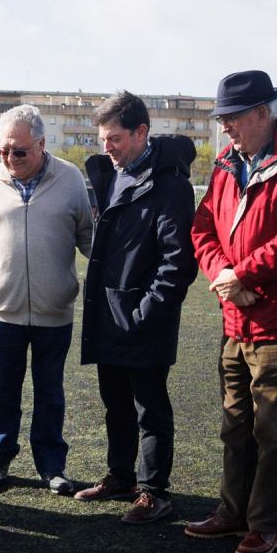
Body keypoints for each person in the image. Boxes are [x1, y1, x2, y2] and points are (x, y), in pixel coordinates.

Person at [187, 70, 277, 553]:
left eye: (231, 118)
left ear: (262, 114)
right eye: (221, 118)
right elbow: (202, 227)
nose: (224, 127)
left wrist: (242, 276)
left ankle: (265, 524)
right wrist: (224, 276)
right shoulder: (228, 162)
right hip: (236, 316)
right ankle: (232, 513)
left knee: (272, 431)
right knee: (235, 424)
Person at [72, 92, 198, 525]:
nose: (107, 147)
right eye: (103, 138)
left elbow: (177, 262)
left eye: (116, 138)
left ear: (142, 133)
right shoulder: (114, 173)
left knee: (150, 409)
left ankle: (154, 493)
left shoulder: (170, 185)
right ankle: (121, 477)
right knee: (116, 404)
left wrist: (145, 314)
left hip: (144, 321)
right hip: (110, 315)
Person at [0, 104, 92, 495]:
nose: (10, 159)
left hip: (55, 311)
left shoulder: (70, 179)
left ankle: (52, 467)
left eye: (19, 151)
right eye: (3, 151)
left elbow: (89, 239)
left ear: (42, 144)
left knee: (50, 393)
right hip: (2, 311)